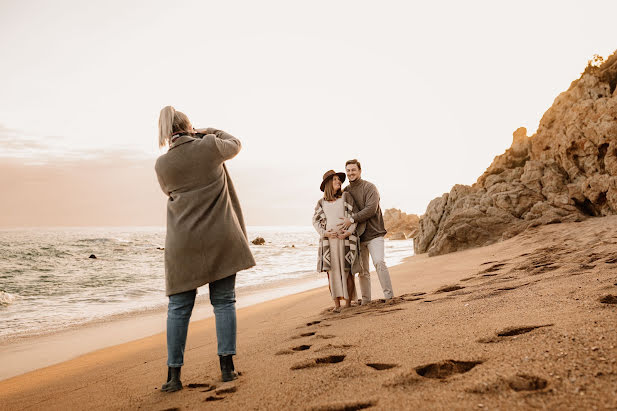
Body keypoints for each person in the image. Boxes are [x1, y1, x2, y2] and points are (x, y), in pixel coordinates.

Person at [154, 106, 255, 392]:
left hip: (182, 243)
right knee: (223, 302)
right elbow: (235, 143)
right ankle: (227, 369)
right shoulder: (210, 146)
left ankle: (173, 377)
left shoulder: (162, 165)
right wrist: (208, 131)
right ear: (189, 126)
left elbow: (170, 192)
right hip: (220, 237)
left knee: (178, 309)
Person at [338, 159, 394, 304]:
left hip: (375, 233)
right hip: (358, 237)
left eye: (353, 170)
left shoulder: (370, 187)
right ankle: (366, 301)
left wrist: (352, 219)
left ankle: (389, 297)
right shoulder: (346, 192)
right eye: (348, 170)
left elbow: (371, 209)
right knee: (362, 271)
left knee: (379, 262)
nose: (350, 173)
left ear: (360, 171)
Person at [313, 170, 363, 312]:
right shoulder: (321, 202)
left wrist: (348, 231)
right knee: (332, 273)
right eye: (335, 179)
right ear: (328, 183)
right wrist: (325, 233)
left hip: (345, 240)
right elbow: (315, 221)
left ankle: (347, 304)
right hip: (329, 243)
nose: (338, 182)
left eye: (339, 180)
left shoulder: (346, 197)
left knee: (347, 271)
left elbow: (354, 216)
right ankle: (337, 305)